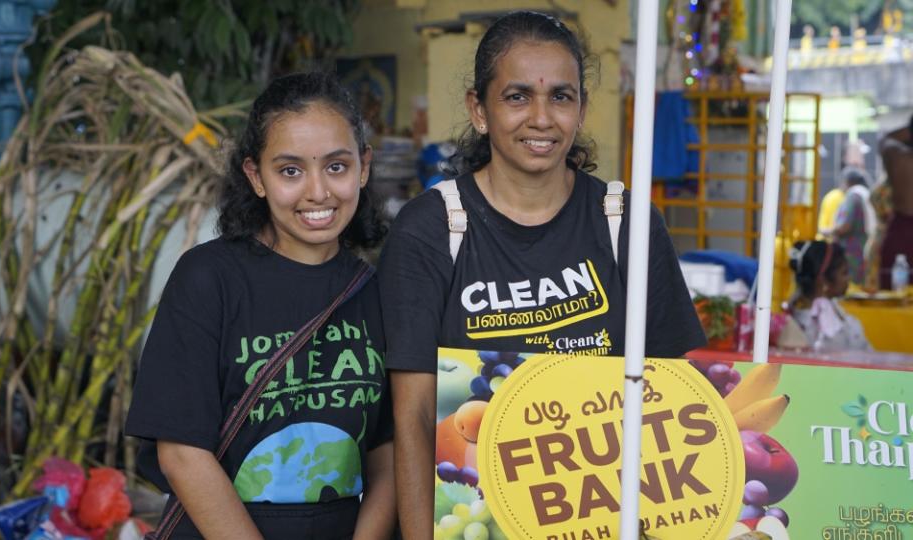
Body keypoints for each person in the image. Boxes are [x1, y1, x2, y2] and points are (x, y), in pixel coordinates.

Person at [376, 11, 706, 538]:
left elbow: (678, 395)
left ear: (580, 108)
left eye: (560, 96)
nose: (541, 117)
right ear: (478, 110)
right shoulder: (431, 229)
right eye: (516, 96)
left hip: (604, 516)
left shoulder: (625, 223)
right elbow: (413, 420)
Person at [125, 72, 395, 539]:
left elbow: (389, 454)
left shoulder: (376, 291)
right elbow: (182, 453)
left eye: (336, 166)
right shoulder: (209, 279)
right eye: (290, 170)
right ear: (256, 176)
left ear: (363, 167)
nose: (317, 192)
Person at [787, 241, 872, 352]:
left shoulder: (799, 311)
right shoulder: (823, 325)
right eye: (844, 273)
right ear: (824, 281)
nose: (848, 278)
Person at [878, 115, 913, 289]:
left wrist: (909, 129)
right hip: (901, 228)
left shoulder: (896, 157)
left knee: (892, 293)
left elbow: (885, 139)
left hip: (900, 229)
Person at [831, 166, 875, 284]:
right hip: (863, 248)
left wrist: (828, 231)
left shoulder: (853, 196)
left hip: (851, 252)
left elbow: (845, 226)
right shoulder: (865, 194)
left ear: (848, 182)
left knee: (850, 285)